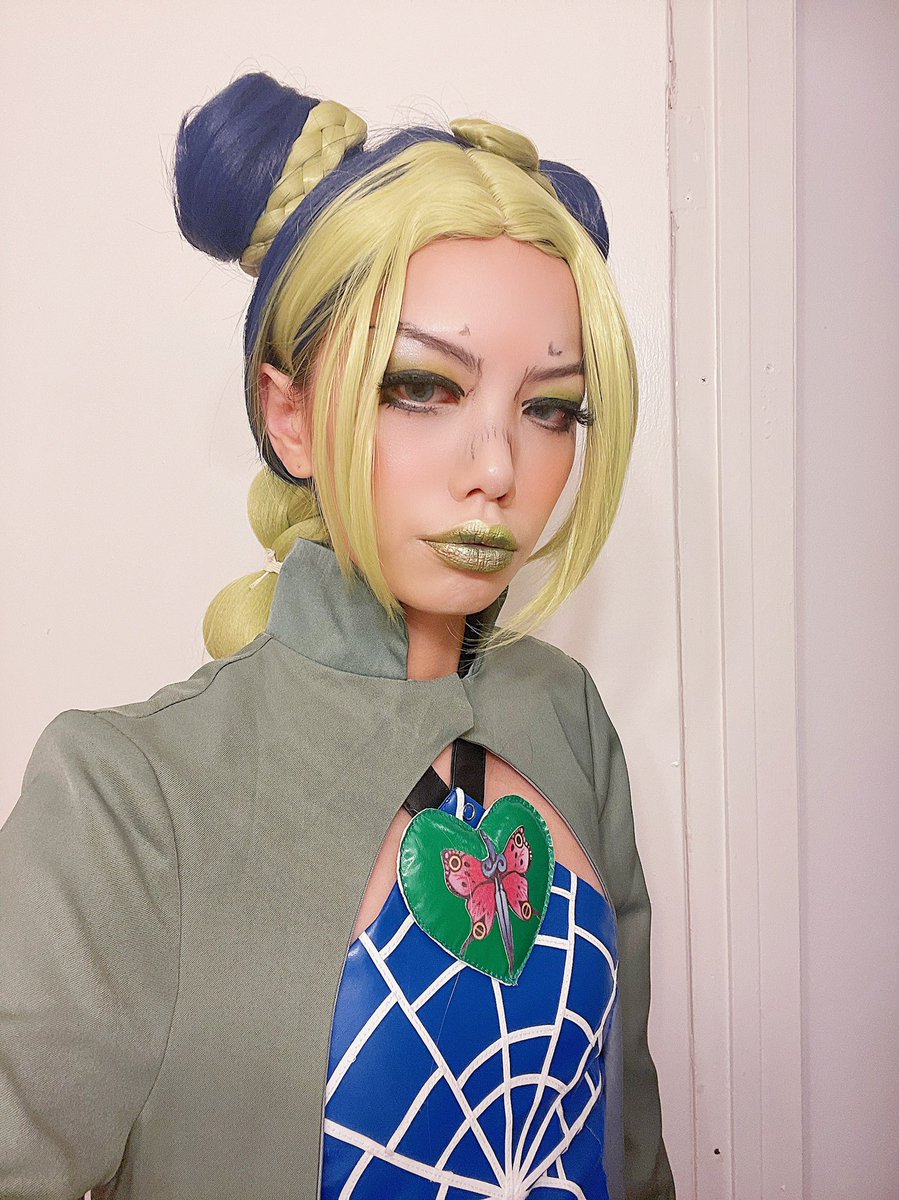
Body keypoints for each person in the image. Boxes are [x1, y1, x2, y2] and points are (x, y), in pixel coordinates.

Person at [0, 72, 674, 1199]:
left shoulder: (565, 721)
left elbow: (630, 1143)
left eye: (550, 407)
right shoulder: (130, 800)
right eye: (423, 387)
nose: (498, 468)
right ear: (291, 416)